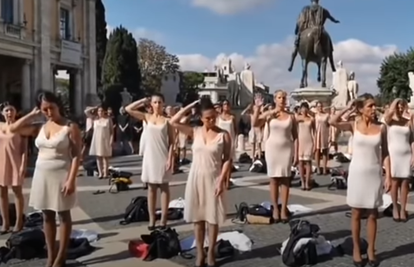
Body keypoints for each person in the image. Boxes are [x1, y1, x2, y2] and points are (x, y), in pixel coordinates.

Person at [9, 92, 81, 267]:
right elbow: (13, 129)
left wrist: (71, 179)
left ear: (58, 106)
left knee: (63, 214)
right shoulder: (39, 126)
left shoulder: (71, 126)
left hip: (61, 174)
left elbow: (76, 156)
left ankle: (61, 257)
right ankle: (50, 255)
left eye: (51, 108)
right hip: (41, 174)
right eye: (44, 109)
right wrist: (32, 115)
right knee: (46, 216)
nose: (49, 112)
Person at [329, 94, 390, 267]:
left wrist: (389, 175)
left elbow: (385, 152)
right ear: (362, 109)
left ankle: (371, 249)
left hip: (374, 173)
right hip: (357, 173)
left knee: (372, 214)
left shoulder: (382, 127)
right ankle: (356, 249)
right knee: (356, 213)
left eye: (374, 106)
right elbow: (333, 121)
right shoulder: (353, 124)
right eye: (370, 106)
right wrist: (349, 107)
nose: (373, 109)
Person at [170, 98, 231, 267]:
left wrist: (221, 180)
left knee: (212, 218)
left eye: (213, 117)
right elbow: (173, 122)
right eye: (207, 118)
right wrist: (190, 107)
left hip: (213, 178)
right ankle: (200, 252)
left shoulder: (223, 135)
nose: (211, 120)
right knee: (198, 218)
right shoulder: (195, 131)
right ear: (201, 118)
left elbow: (227, 159)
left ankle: (211, 250)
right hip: (196, 177)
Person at [125, 93, 174, 230]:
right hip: (150, 156)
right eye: (155, 102)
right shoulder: (146, 117)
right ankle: (152, 217)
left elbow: (172, 142)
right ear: (151, 104)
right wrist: (142, 100)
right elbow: (128, 109)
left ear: (163, 104)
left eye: (160, 102)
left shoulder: (167, 121)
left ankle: (164, 218)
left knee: (164, 187)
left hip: (163, 155)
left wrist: (170, 158)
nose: (158, 105)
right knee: (151, 188)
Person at [252, 91, 298, 223]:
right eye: (280, 97)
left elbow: (295, 136)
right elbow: (255, 123)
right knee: (274, 179)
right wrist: (258, 109)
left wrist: (296, 153)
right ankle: (275, 208)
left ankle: (283, 208)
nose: (282, 100)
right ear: (275, 99)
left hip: (286, 149)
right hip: (272, 149)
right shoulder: (270, 114)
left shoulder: (291, 116)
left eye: (284, 97)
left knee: (285, 180)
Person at [383, 98, 413, 222]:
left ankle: (403, 209)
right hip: (393, 153)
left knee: (405, 182)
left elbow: (412, 140)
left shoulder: (408, 121)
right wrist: (393, 108)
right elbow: (386, 118)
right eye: (398, 106)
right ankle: (395, 207)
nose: (400, 109)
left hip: (406, 153)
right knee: (395, 182)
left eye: (402, 106)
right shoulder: (389, 120)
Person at [0, 103, 28, 233]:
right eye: (6, 110)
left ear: (16, 112)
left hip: (15, 161)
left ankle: (19, 221)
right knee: (2, 193)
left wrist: (23, 164)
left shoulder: (20, 127)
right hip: (1, 162)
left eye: (11, 110)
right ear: (2, 113)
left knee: (17, 192)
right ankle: (5, 223)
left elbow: (24, 148)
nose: (9, 113)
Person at [85, 106, 113, 179]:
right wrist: (94, 107)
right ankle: (100, 173)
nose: (100, 112)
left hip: (105, 139)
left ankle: (105, 173)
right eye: (99, 111)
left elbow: (112, 131)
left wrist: (111, 140)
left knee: (105, 157)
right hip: (97, 139)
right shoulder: (95, 119)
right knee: (98, 157)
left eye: (101, 111)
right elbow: (86, 112)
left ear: (104, 112)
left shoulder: (108, 120)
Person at [216, 99, 237, 189]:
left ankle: (228, 180)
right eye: (224, 104)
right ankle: (222, 179)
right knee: (220, 161)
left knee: (229, 161)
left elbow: (236, 129)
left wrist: (235, 140)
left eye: (228, 104)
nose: (226, 106)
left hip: (230, 139)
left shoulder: (232, 117)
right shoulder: (218, 117)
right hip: (220, 140)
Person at [296, 102, 315, 190]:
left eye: (305, 108)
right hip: (300, 141)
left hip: (309, 141)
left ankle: (307, 182)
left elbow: (314, 132)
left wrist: (315, 144)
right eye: (302, 108)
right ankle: (302, 182)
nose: (304, 110)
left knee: (308, 163)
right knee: (300, 163)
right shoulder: (297, 118)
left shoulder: (311, 119)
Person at [314, 101, 330, 174]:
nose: (319, 108)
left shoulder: (326, 115)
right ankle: (317, 167)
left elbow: (329, 124)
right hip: (317, 133)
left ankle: (324, 167)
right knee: (317, 151)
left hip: (324, 133)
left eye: (320, 106)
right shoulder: (315, 115)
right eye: (318, 106)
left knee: (324, 151)